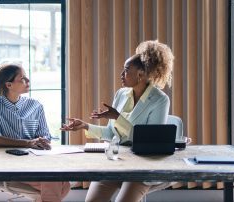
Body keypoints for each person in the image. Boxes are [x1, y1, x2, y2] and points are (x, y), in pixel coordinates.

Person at [61, 40, 174, 202]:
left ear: (141, 74)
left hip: (143, 165)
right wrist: (85, 126)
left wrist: (117, 117)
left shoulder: (159, 100)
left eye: (127, 70)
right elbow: (111, 133)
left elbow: (149, 141)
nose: (121, 74)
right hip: (117, 159)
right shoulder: (121, 94)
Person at [0, 62, 70, 202]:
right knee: (54, 182)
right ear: (8, 85)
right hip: (6, 164)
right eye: (22, 78)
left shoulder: (35, 105)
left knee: (64, 184)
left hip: (35, 162)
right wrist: (28, 143)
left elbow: (44, 134)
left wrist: (43, 141)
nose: (28, 81)